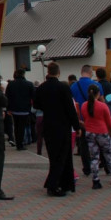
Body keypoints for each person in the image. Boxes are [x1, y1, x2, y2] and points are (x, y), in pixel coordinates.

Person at [34, 62, 80, 197]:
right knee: (63, 156)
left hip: (48, 125)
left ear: (48, 71)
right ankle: (54, 185)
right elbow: (70, 109)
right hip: (62, 125)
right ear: (58, 72)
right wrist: (76, 126)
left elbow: (36, 104)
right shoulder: (63, 87)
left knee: (54, 156)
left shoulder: (41, 88)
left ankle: (63, 183)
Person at [81, 85, 111, 189]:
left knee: (94, 157)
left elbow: (85, 118)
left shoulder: (84, 105)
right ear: (98, 94)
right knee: (108, 155)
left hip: (90, 132)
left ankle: (95, 180)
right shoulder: (102, 106)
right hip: (102, 132)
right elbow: (109, 121)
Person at [70, 64, 99, 175]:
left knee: (83, 145)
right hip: (95, 120)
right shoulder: (96, 85)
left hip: (81, 120)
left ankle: (86, 168)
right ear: (90, 72)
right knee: (97, 144)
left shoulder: (73, 86)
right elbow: (101, 101)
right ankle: (97, 165)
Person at [5, 69, 34, 151]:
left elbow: (7, 97)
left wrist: (8, 109)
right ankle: (20, 144)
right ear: (23, 74)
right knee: (22, 127)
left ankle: (18, 142)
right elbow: (33, 96)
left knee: (16, 127)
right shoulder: (29, 84)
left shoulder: (10, 84)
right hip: (25, 109)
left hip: (14, 109)